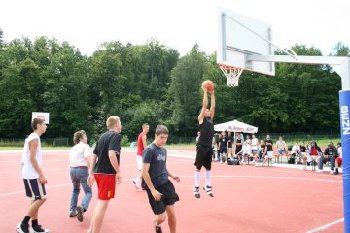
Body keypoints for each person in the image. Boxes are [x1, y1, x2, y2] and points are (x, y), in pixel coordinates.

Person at [142, 125, 180, 233]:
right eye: (161, 137)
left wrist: (172, 176)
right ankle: (156, 224)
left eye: (166, 138)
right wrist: (153, 190)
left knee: (172, 213)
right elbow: (144, 172)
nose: (164, 140)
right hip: (155, 187)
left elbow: (163, 167)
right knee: (162, 217)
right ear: (156, 136)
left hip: (166, 184)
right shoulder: (149, 150)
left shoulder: (164, 151)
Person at [87, 116, 122, 233]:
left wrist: (91, 172)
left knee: (99, 203)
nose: (121, 125)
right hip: (107, 174)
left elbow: (93, 155)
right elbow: (112, 154)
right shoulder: (115, 136)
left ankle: (91, 229)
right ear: (116, 124)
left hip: (98, 172)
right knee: (103, 205)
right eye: (120, 123)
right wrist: (118, 171)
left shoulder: (102, 136)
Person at [16, 118, 49, 233]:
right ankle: (23, 224)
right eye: (44, 124)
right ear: (38, 125)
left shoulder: (33, 137)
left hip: (29, 173)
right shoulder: (34, 138)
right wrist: (41, 174)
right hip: (32, 175)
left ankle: (35, 225)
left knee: (35, 199)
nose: (46, 126)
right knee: (42, 198)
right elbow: (32, 158)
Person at [194, 84, 215, 198]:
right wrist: (205, 92)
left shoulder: (210, 119)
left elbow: (212, 107)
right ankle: (196, 188)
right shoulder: (201, 119)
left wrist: (212, 94)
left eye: (207, 111)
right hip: (201, 146)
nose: (207, 110)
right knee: (198, 167)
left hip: (209, 147)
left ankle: (208, 187)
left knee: (208, 168)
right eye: (205, 110)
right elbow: (205, 105)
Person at [68, 130, 92, 222]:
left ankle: (72, 210)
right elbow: (87, 157)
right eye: (85, 136)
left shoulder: (73, 148)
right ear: (81, 137)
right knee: (88, 192)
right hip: (82, 169)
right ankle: (82, 207)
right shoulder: (85, 146)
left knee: (75, 190)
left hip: (72, 170)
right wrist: (91, 170)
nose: (87, 138)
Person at [133, 123, 150, 190]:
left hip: (140, 155)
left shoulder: (141, 134)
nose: (148, 129)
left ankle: (140, 184)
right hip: (141, 156)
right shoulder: (143, 136)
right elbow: (145, 147)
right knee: (144, 171)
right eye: (146, 127)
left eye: (148, 127)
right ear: (143, 128)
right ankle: (137, 181)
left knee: (143, 171)